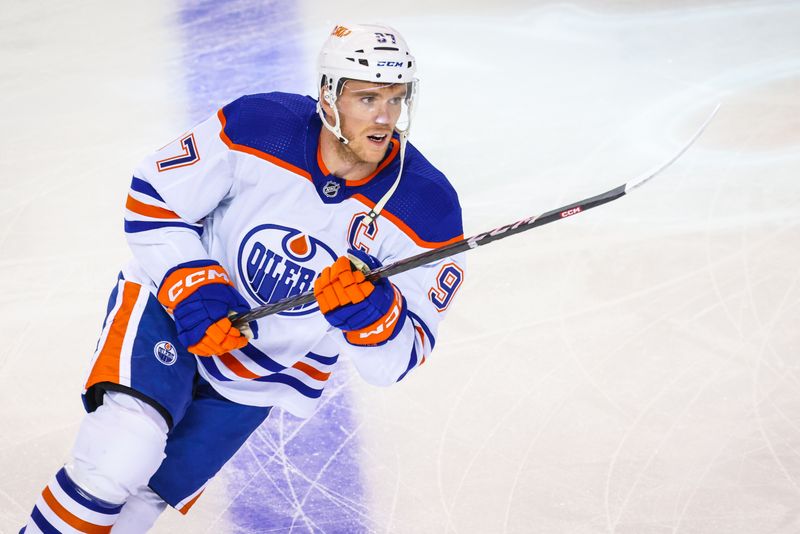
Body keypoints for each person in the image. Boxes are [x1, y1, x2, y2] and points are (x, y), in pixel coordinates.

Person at [22, 22, 465, 533]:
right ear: (328, 94)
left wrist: (373, 317)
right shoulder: (261, 125)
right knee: (119, 455)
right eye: (367, 98)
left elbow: (395, 360)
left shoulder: (426, 210)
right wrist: (195, 288)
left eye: (395, 98)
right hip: (169, 312)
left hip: (266, 367)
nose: (385, 117)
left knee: (144, 499)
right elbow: (153, 195)